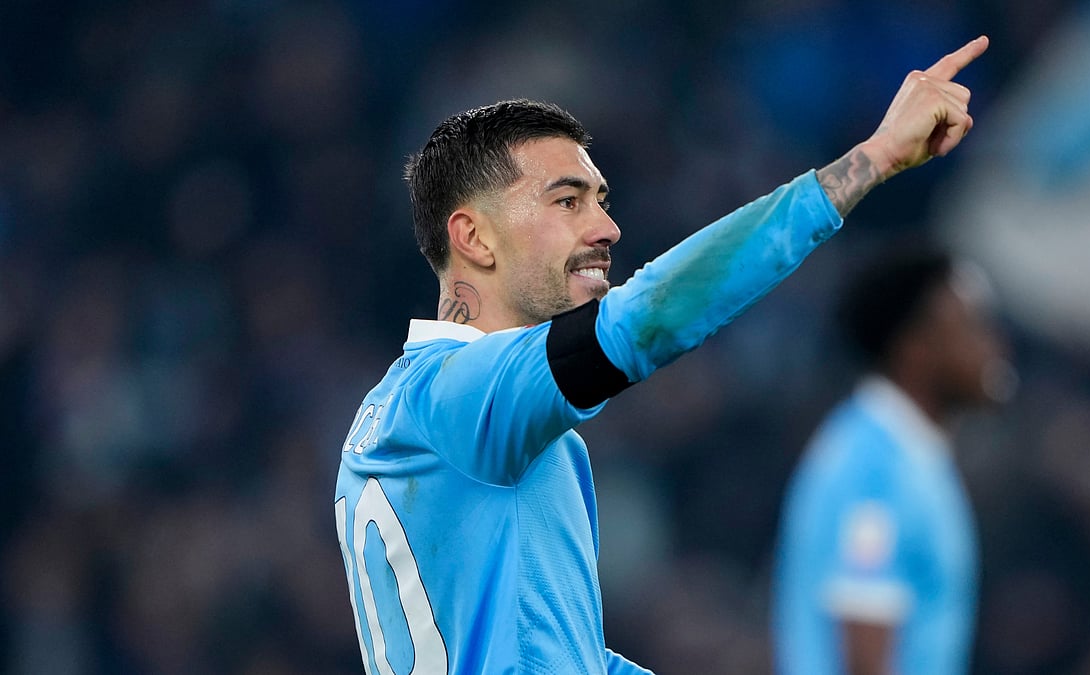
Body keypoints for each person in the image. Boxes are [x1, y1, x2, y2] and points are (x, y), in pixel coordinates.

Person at [334, 36, 990, 675]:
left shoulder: (451, 423)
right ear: (473, 236)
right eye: (567, 200)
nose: (606, 228)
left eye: (601, 202)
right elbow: (651, 313)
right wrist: (869, 160)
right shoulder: (458, 398)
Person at [772, 247, 1014, 675]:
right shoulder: (875, 471)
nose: (994, 346)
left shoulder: (904, 455)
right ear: (914, 349)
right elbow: (864, 656)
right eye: (972, 327)